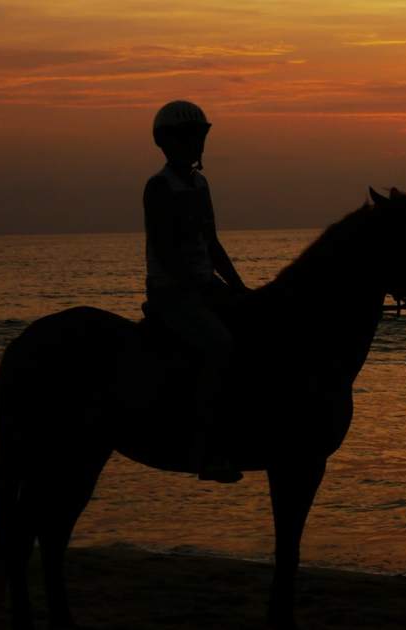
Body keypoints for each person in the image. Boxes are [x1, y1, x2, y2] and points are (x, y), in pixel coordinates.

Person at [144, 100, 247, 483]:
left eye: (197, 137)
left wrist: (238, 287)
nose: (194, 144)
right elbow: (166, 250)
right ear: (167, 143)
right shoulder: (159, 187)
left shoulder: (200, 184)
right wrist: (197, 289)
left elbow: (212, 243)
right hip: (173, 293)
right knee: (219, 346)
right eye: (187, 138)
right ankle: (207, 448)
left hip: (204, 288)